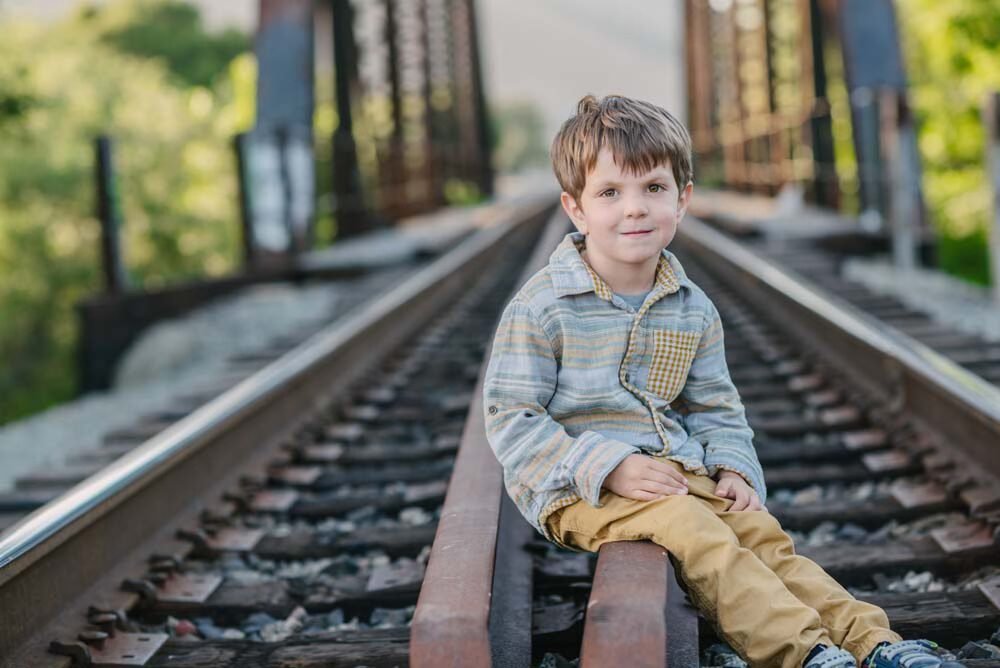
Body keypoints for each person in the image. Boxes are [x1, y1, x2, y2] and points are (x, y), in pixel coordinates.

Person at [482, 94, 960, 668]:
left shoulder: (692, 307)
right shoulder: (542, 308)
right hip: (576, 487)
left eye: (653, 189)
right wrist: (609, 465)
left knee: (762, 535)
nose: (634, 208)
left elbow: (715, 405)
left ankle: (875, 643)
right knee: (696, 532)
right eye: (610, 193)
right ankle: (804, 652)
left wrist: (733, 464)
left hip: (677, 471)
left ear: (682, 199)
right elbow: (511, 420)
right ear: (576, 208)